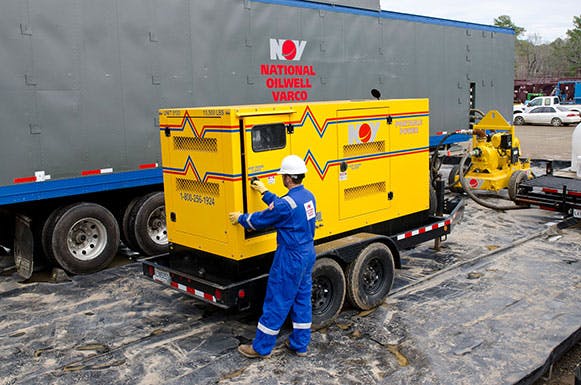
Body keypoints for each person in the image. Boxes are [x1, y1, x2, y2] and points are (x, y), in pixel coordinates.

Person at [228, 155, 317, 358]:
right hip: (306, 252)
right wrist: (265, 192)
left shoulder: (286, 204)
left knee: (277, 300)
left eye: (283, 175)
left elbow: (262, 219)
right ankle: (300, 344)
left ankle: (261, 348)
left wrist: (241, 218)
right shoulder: (308, 196)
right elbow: (283, 207)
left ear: (287, 178)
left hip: (290, 256)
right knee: (302, 299)